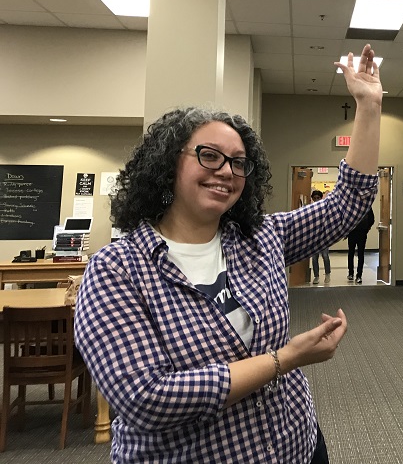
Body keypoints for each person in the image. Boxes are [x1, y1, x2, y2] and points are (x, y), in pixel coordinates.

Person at [74, 45, 382, 463]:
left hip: (297, 447)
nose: (226, 171)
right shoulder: (117, 270)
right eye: (209, 156)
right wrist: (283, 360)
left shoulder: (260, 238)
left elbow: (347, 202)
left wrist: (369, 106)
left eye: (239, 162)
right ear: (168, 165)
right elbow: (145, 398)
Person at [346, 206, 375, 284]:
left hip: (353, 232)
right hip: (361, 232)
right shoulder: (367, 206)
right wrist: (367, 228)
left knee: (351, 253)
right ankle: (358, 276)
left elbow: (346, 219)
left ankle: (351, 273)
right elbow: (371, 220)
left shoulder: (351, 206)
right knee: (360, 254)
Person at [309, 189, 331, 284]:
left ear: (321, 198)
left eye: (318, 198)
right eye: (315, 198)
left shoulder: (325, 208)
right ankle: (316, 276)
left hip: (324, 236)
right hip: (314, 236)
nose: (317, 199)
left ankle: (327, 274)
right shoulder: (310, 209)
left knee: (325, 256)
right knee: (314, 257)